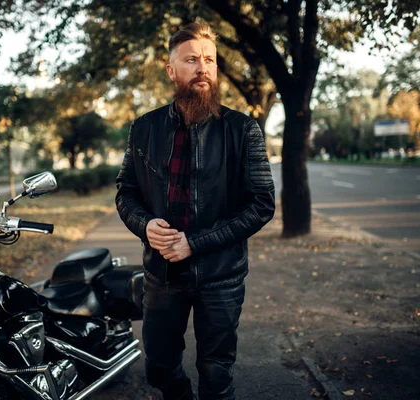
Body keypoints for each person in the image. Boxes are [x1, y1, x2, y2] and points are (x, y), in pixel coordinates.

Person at [115, 21, 275, 400]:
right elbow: (126, 193)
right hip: (161, 275)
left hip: (221, 276)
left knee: (216, 373)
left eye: (209, 60)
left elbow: (262, 205)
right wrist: (145, 224)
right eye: (191, 60)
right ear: (171, 70)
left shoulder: (243, 129)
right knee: (159, 366)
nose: (202, 67)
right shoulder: (143, 129)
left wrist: (195, 242)